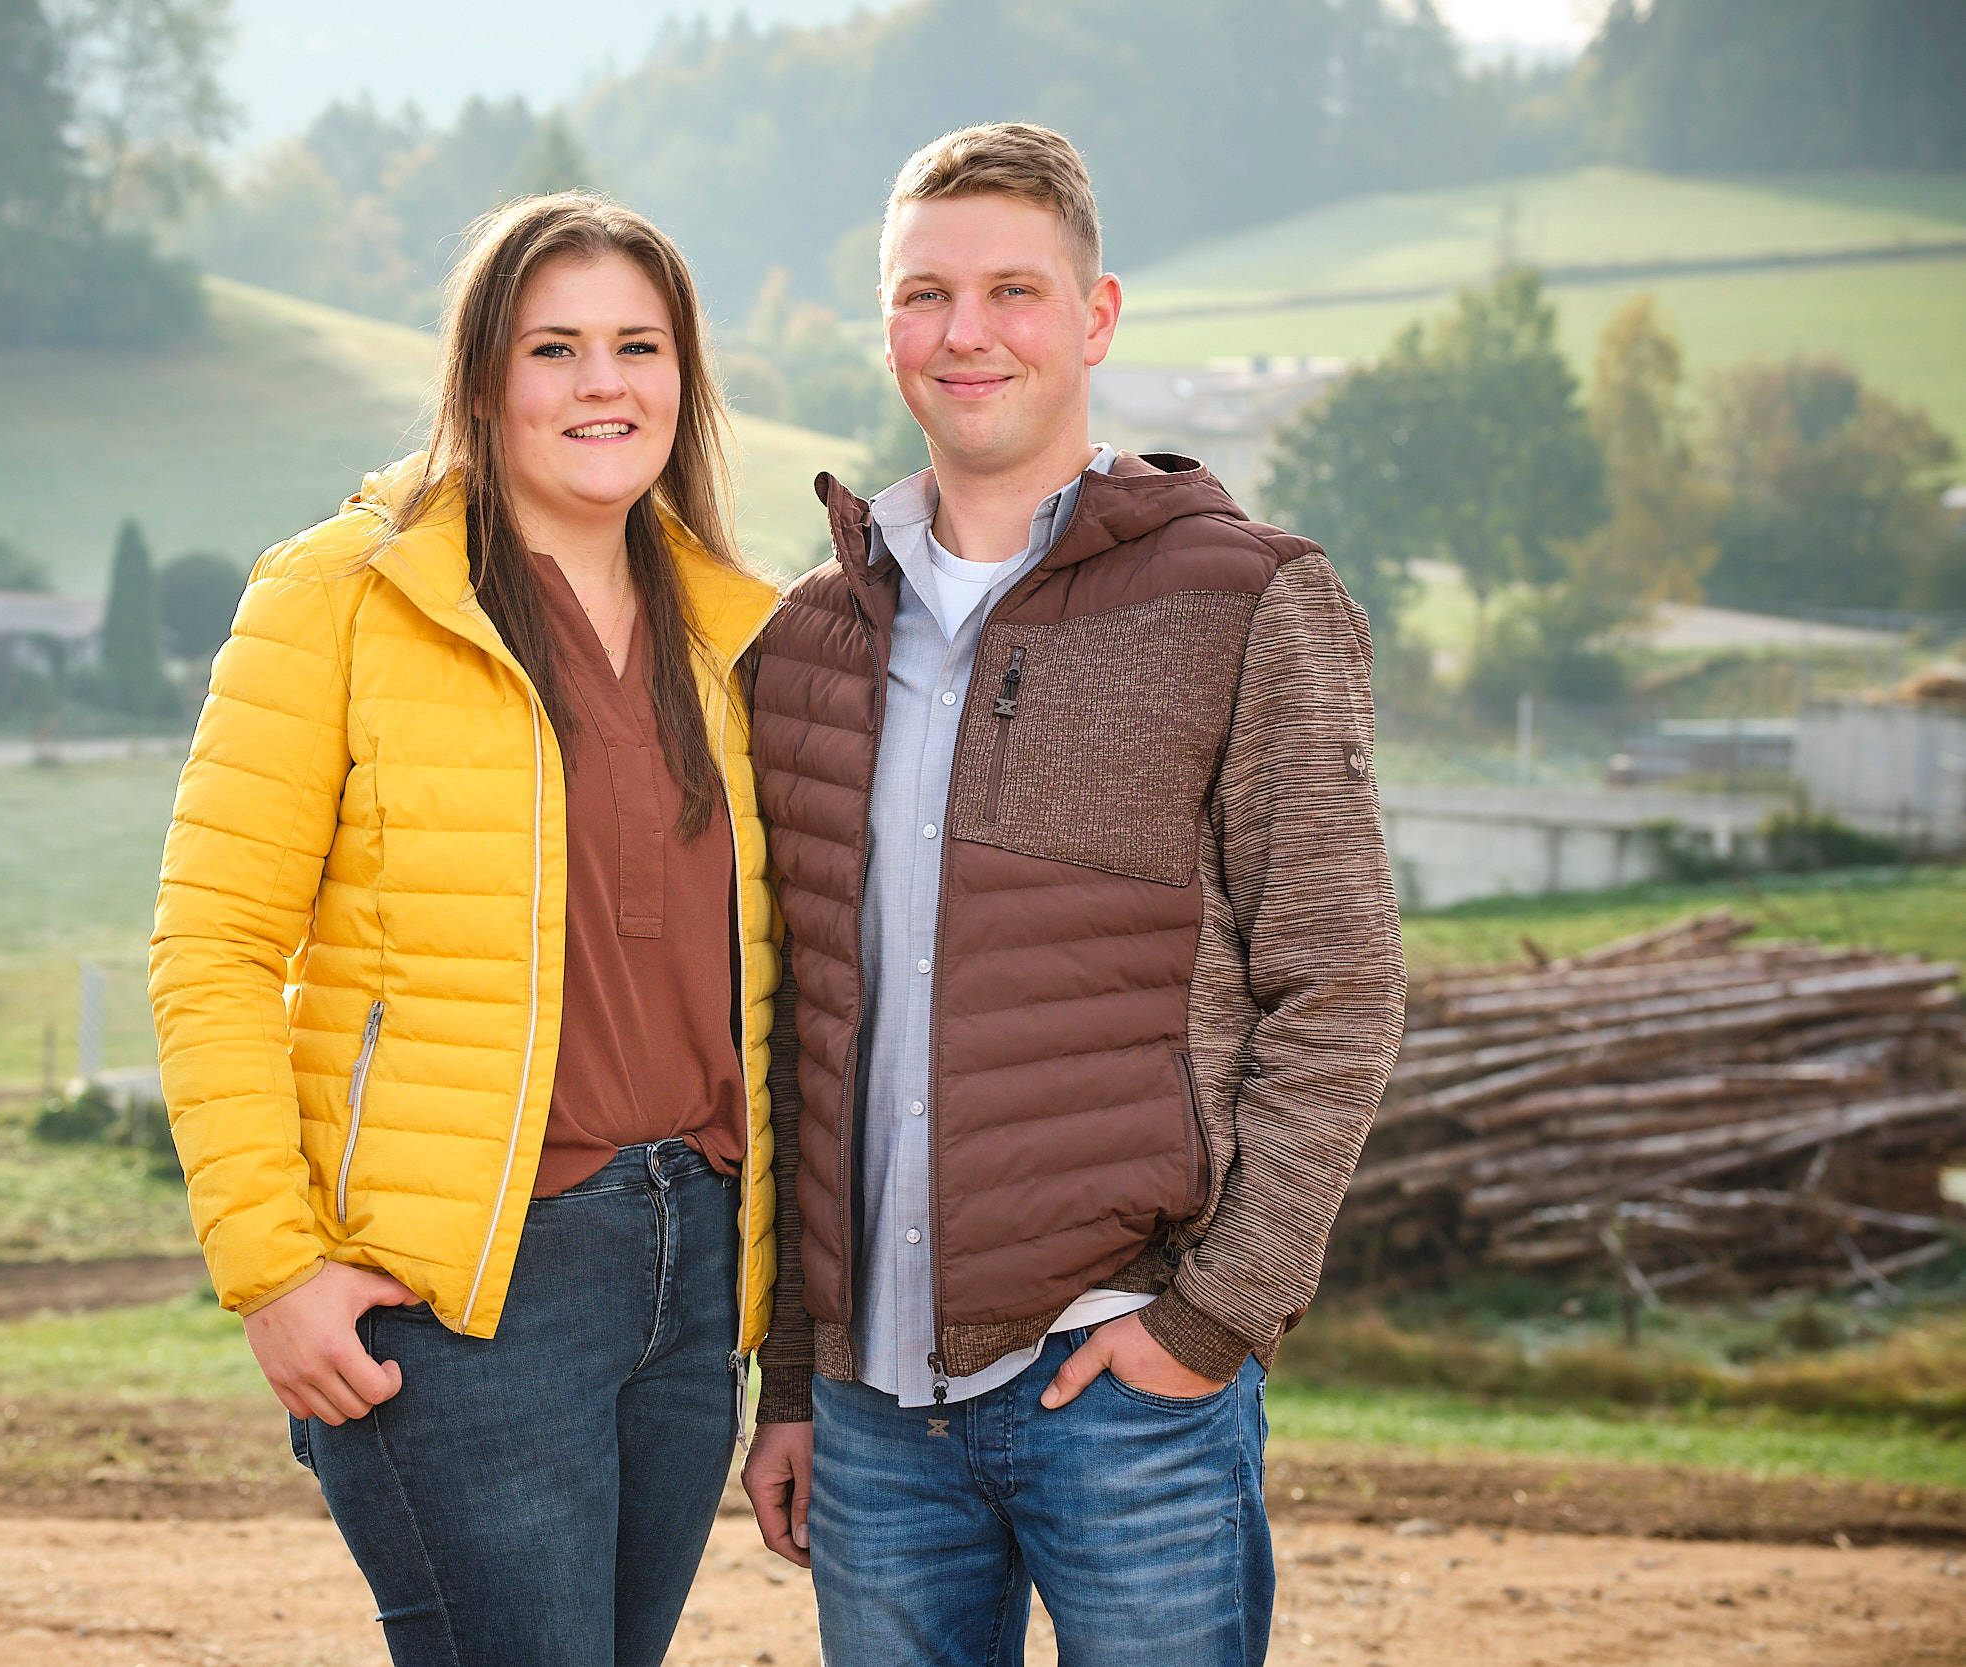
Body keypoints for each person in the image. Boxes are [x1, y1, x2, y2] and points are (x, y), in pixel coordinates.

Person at [740, 123, 1408, 1666]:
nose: (965, 335)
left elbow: (1344, 983)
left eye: (1013, 292)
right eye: (924, 295)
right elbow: (797, 1035)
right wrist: (790, 1380)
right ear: (886, 323)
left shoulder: (1243, 600)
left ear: (1096, 316)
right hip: (869, 1423)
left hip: (1126, 1394)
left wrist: (1211, 1321)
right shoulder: (807, 646)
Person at [149, 192, 786, 1667]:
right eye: (552, 348)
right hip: (463, 1294)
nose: (601, 384)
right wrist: (274, 1268)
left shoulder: (736, 633)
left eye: (638, 345)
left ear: (685, 380)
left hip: (693, 1274)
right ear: (483, 378)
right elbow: (212, 946)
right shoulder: (341, 596)